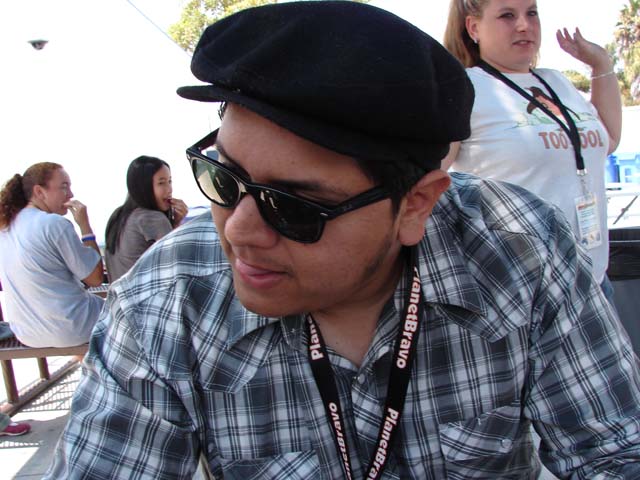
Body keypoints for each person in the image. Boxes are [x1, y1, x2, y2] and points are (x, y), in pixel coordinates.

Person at [46, 2, 640, 479]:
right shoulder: (165, 299)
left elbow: (616, 450)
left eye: (294, 206)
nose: (239, 231)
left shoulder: (521, 250)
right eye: (223, 179)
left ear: (416, 205)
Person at [442, 0, 623, 301]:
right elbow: (429, 178)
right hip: (521, 295)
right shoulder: (463, 88)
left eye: (532, 13)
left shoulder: (557, 81)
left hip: (594, 284)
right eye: (507, 15)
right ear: (474, 28)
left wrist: (601, 64)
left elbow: (608, 141)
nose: (524, 25)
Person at [0, 162, 104, 348]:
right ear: (39, 192)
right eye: (64, 187)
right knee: (133, 312)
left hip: (27, 334)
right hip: (72, 329)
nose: (70, 194)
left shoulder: (5, 227)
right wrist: (85, 226)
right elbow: (95, 279)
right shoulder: (53, 223)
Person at [104, 156, 188, 282]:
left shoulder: (118, 216)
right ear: (144, 186)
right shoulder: (153, 218)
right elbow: (179, 265)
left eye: (169, 181)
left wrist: (175, 222)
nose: (169, 189)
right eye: (161, 183)